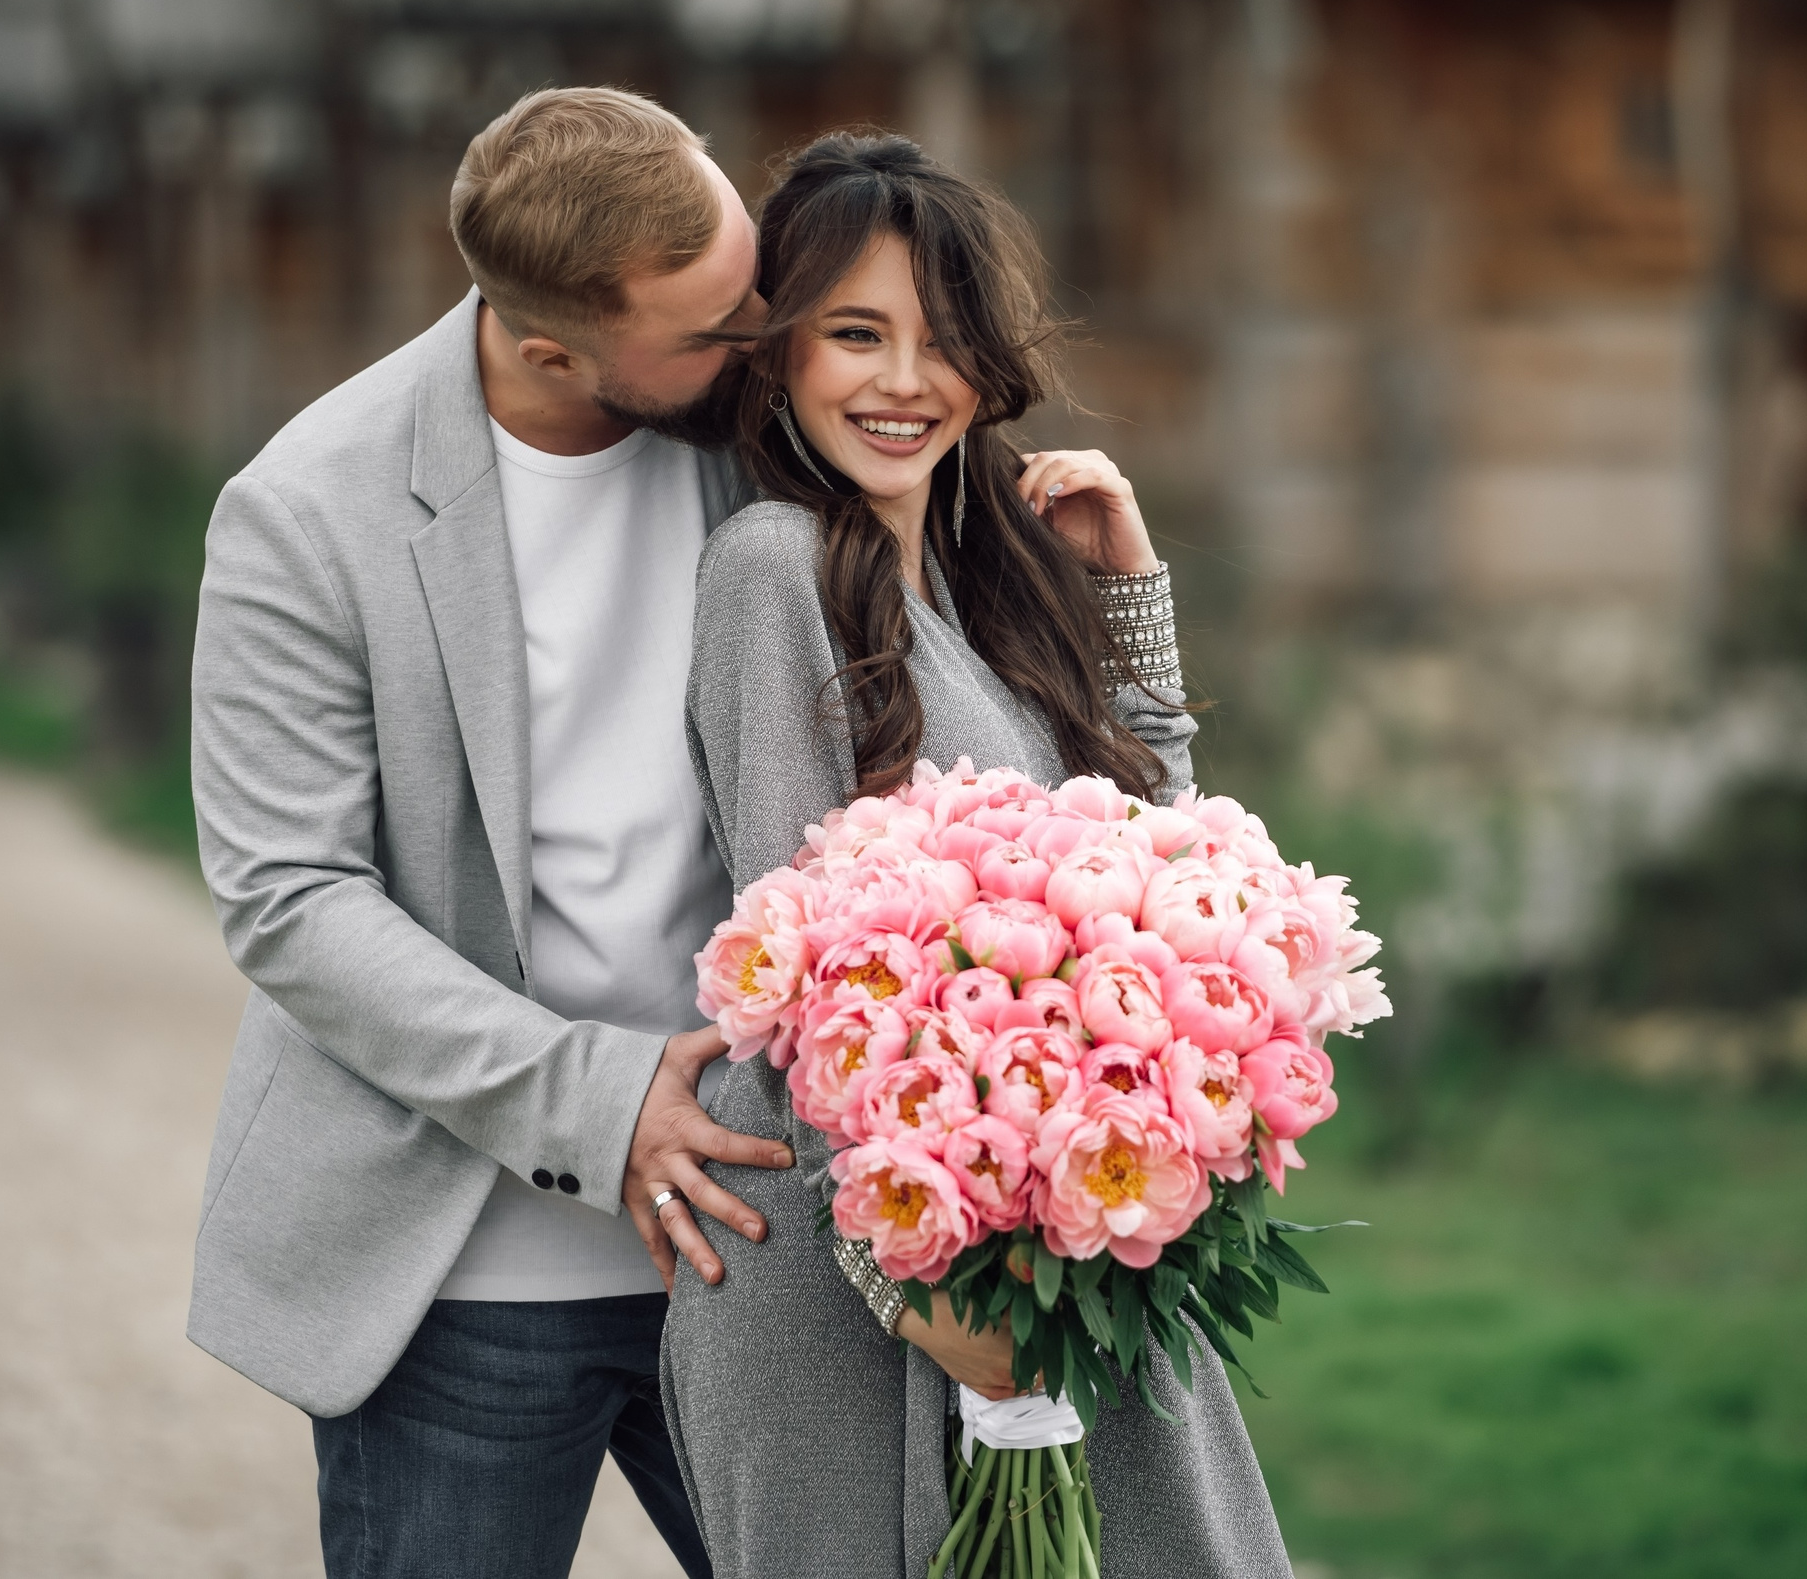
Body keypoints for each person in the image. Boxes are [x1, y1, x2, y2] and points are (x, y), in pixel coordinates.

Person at [660, 132, 1296, 1578]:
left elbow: (1163, 869)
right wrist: (904, 1287)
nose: (904, 381)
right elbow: (795, 965)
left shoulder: (979, 582)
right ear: (777, 356)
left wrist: (1129, 594)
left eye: (941, 341)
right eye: (856, 335)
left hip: (1037, 1241)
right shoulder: (771, 569)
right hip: (867, 1272)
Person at [186, 86, 796, 1579]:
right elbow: (289, 899)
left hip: (770, 1246)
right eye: (714, 329)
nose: (763, 337)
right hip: (458, 1278)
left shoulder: (766, 438)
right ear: (550, 348)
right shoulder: (303, 513)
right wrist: (605, 1105)